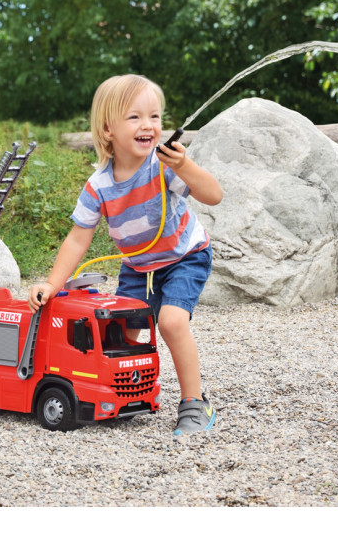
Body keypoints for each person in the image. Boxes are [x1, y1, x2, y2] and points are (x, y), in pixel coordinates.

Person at [29, 74, 223, 435]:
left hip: (185, 256)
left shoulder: (163, 166)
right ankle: (132, 394)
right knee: (127, 335)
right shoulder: (98, 186)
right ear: (107, 130)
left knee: (171, 322)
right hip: (138, 267)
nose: (148, 125)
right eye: (134, 117)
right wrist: (53, 283)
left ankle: (195, 404)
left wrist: (184, 167)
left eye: (155, 117)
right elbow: (77, 239)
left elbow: (214, 195)